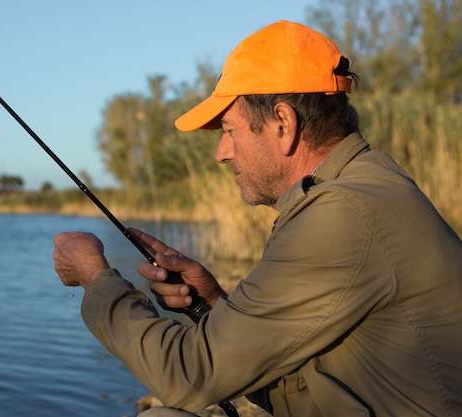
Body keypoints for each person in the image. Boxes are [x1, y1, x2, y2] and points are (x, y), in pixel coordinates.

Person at [53, 20, 462, 417]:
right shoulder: (368, 184)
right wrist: (213, 306)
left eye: (229, 130)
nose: (221, 152)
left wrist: (97, 279)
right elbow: (300, 388)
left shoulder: (341, 216)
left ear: (283, 123)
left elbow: (184, 374)